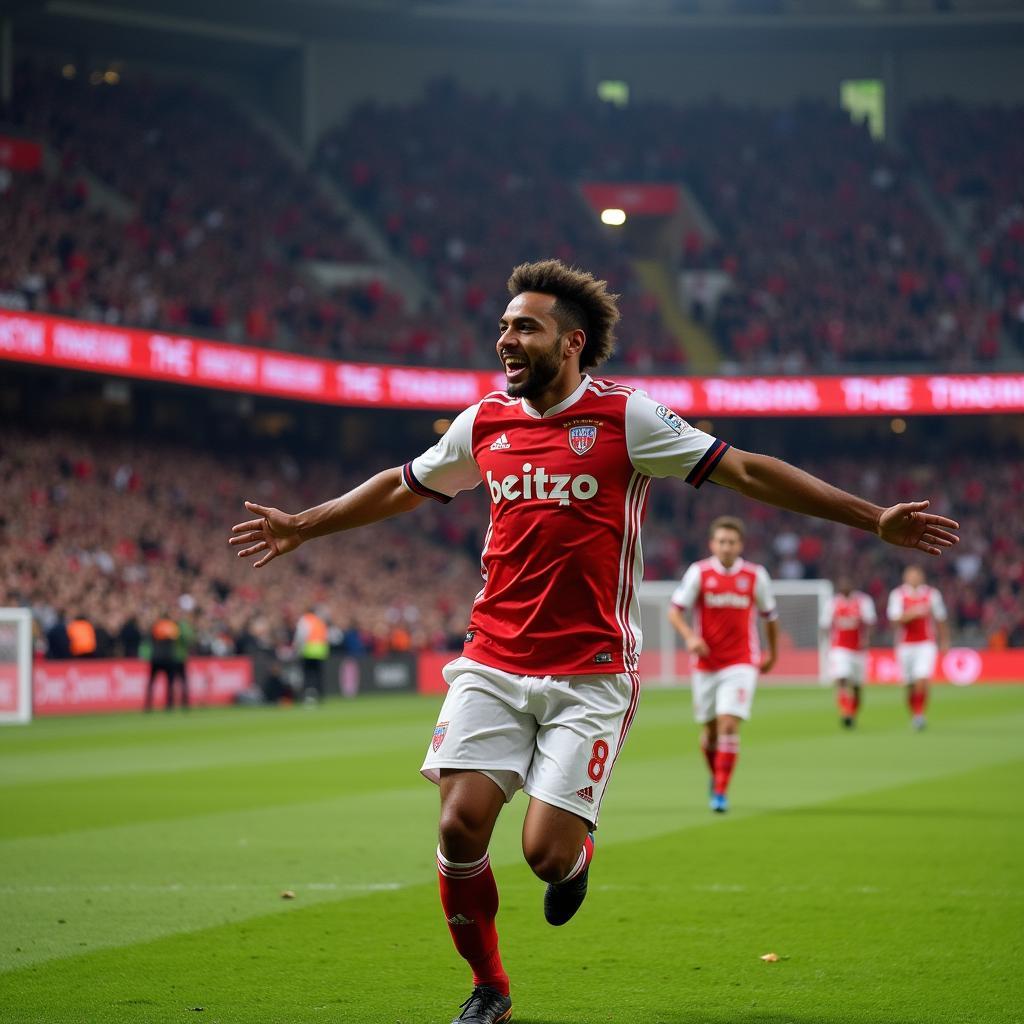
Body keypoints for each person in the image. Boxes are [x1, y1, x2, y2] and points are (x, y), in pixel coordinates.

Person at [229, 259, 959, 1024]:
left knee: (545, 853)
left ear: (571, 343)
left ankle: (575, 859)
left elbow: (744, 470)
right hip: (492, 660)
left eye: (525, 328)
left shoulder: (628, 418)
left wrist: (871, 516)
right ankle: (490, 988)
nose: (506, 339)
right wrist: (303, 524)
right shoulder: (483, 421)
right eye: (505, 326)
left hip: (590, 673)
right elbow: (400, 483)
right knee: (457, 825)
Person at [667, 516, 778, 813]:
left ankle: (720, 791)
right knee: (711, 730)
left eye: (731, 542)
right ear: (712, 544)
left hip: (742, 661)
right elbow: (675, 612)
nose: (726, 547)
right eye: (721, 542)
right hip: (705, 663)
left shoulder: (755, 575)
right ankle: (716, 774)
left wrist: (773, 654)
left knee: (729, 724)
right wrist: (691, 637)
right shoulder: (699, 573)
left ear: (740, 545)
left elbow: (770, 618)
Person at [887, 566, 950, 730]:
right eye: (910, 575)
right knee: (909, 684)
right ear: (905, 577)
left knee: (921, 679)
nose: (914, 578)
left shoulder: (932, 594)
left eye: (917, 575)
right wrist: (912, 613)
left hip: (926, 643)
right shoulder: (897, 595)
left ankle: (919, 714)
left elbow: (941, 618)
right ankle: (914, 713)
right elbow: (894, 620)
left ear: (922, 577)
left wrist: (944, 640)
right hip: (905, 645)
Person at [821, 576, 877, 729]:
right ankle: (845, 712)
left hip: (859, 650)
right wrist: (826, 642)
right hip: (839, 648)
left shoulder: (863, 601)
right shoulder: (832, 603)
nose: (844, 585)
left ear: (853, 585)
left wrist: (867, 639)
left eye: (847, 583)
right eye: (842, 583)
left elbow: (871, 623)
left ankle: (852, 713)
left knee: (857, 687)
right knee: (842, 678)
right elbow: (825, 625)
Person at [145, 613, 187, 711]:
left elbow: (150, 640)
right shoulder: (172, 627)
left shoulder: (156, 626)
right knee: (170, 683)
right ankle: (169, 705)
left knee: (151, 683)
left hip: (156, 658)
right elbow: (178, 639)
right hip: (169, 658)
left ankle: (148, 705)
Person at [294, 607, 329, 703]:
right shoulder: (319, 621)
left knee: (308, 675)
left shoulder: (305, 620)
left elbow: (301, 635)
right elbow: (325, 636)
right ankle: (320, 696)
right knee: (318, 675)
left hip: (308, 651)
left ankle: (307, 695)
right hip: (320, 651)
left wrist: (297, 648)